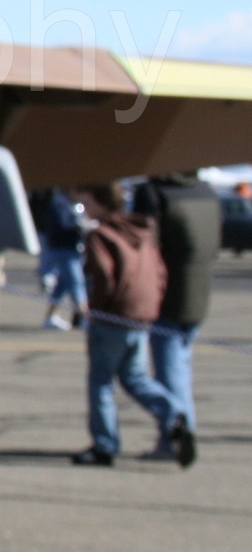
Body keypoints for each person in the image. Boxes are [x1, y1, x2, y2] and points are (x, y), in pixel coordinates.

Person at [73, 183, 193, 467]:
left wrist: (96, 307)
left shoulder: (100, 234)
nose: (84, 208)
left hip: (112, 317)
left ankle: (104, 445)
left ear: (100, 202)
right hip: (141, 315)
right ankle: (174, 413)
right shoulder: (142, 232)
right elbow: (160, 272)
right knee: (135, 377)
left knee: (101, 381)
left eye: (86, 202)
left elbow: (103, 275)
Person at [133, 174, 219, 455]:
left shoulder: (153, 193)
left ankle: (174, 437)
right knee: (180, 367)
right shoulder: (205, 191)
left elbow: (145, 246)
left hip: (167, 295)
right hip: (199, 292)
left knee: (169, 370)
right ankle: (181, 432)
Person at [34, 187, 88, 330]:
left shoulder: (68, 202)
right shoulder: (58, 202)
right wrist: (79, 225)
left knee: (61, 285)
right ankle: (85, 318)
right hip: (62, 248)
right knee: (76, 282)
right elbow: (62, 224)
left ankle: (50, 317)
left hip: (68, 247)